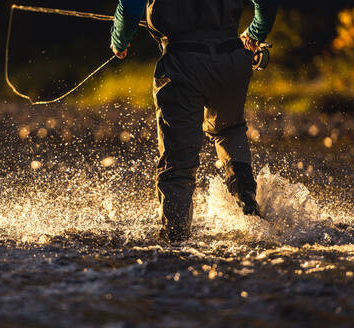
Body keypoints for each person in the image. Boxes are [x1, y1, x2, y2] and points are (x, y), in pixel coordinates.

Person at [110, 0, 279, 242]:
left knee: (179, 161)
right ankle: (250, 210)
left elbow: (130, 6)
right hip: (231, 60)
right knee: (229, 130)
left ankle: (175, 239)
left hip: (182, 64)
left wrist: (119, 41)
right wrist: (255, 33)